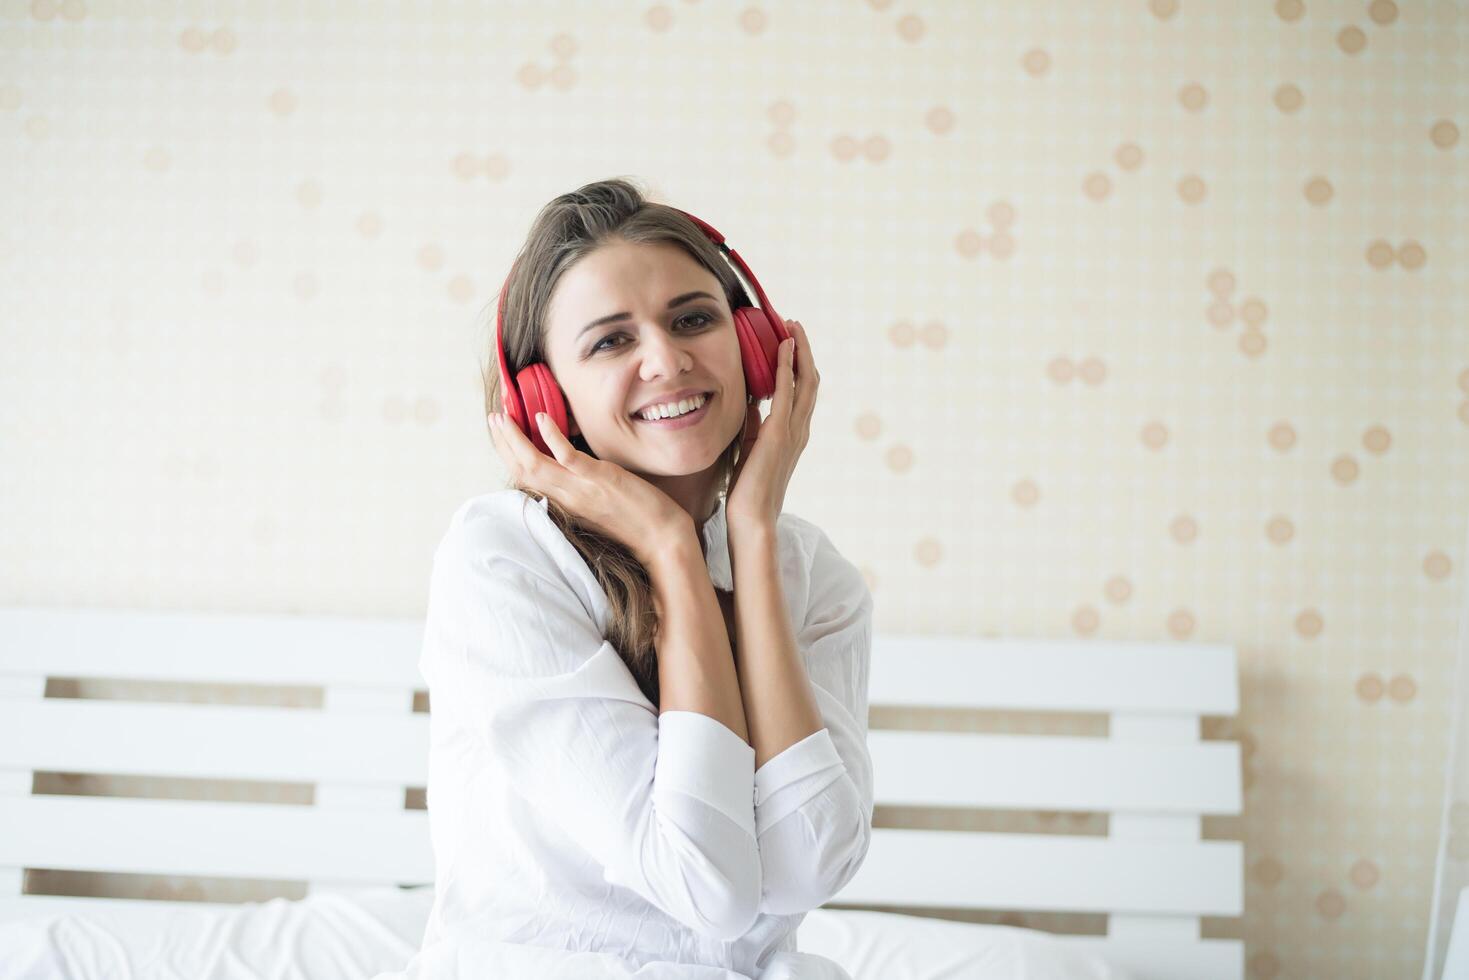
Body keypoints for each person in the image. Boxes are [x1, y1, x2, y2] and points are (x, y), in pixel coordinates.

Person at [376, 178, 874, 980]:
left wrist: (748, 536)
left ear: (753, 344)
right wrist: (671, 551)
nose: (667, 360)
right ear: (544, 394)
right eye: (610, 341)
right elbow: (704, 886)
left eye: (693, 319)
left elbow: (806, 868)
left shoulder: (809, 572)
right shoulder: (501, 560)